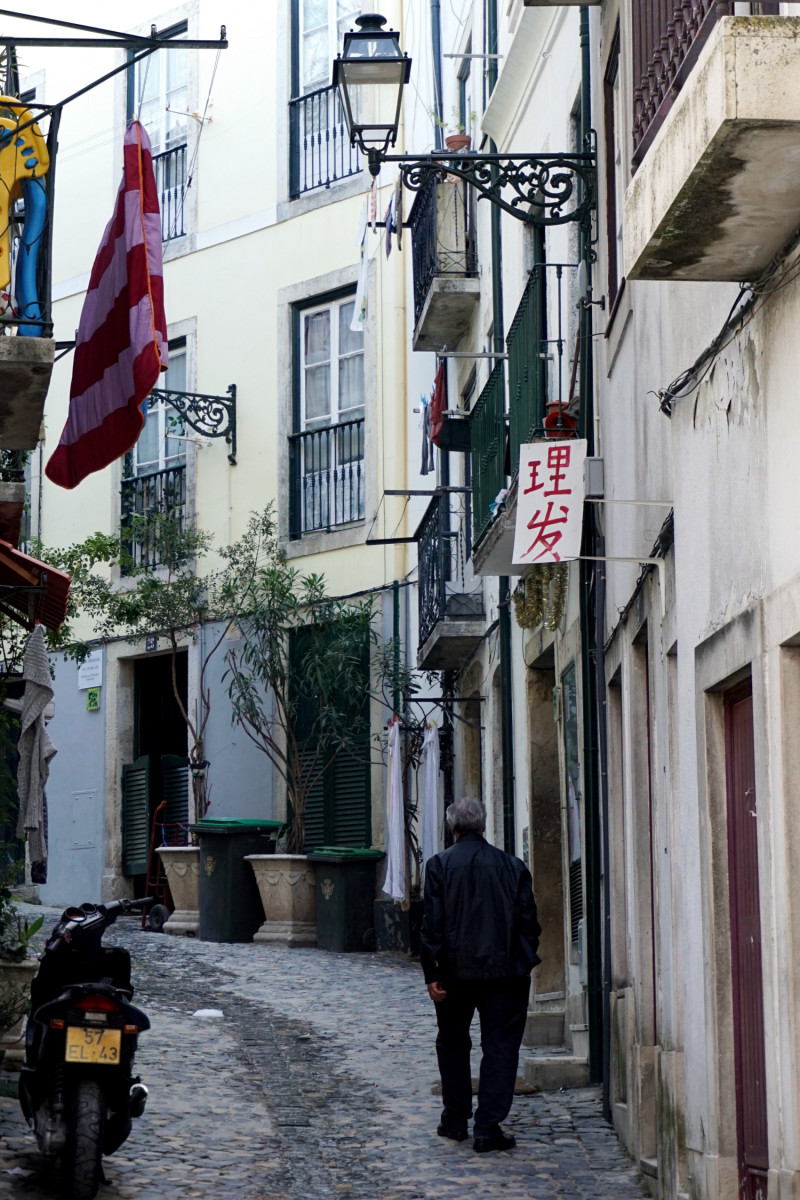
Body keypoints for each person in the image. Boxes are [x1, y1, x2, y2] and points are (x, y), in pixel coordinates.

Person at [420, 796, 541, 1153]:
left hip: (455, 974)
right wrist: (521, 957)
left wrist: (433, 972)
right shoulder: (512, 866)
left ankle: (456, 1120)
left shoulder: (439, 866)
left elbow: (433, 925)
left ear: (452, 827)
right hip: (506, 974)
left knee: (453, 1044)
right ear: (484, 825)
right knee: (501, 1048)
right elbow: (529, 924)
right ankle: (488, 1126)